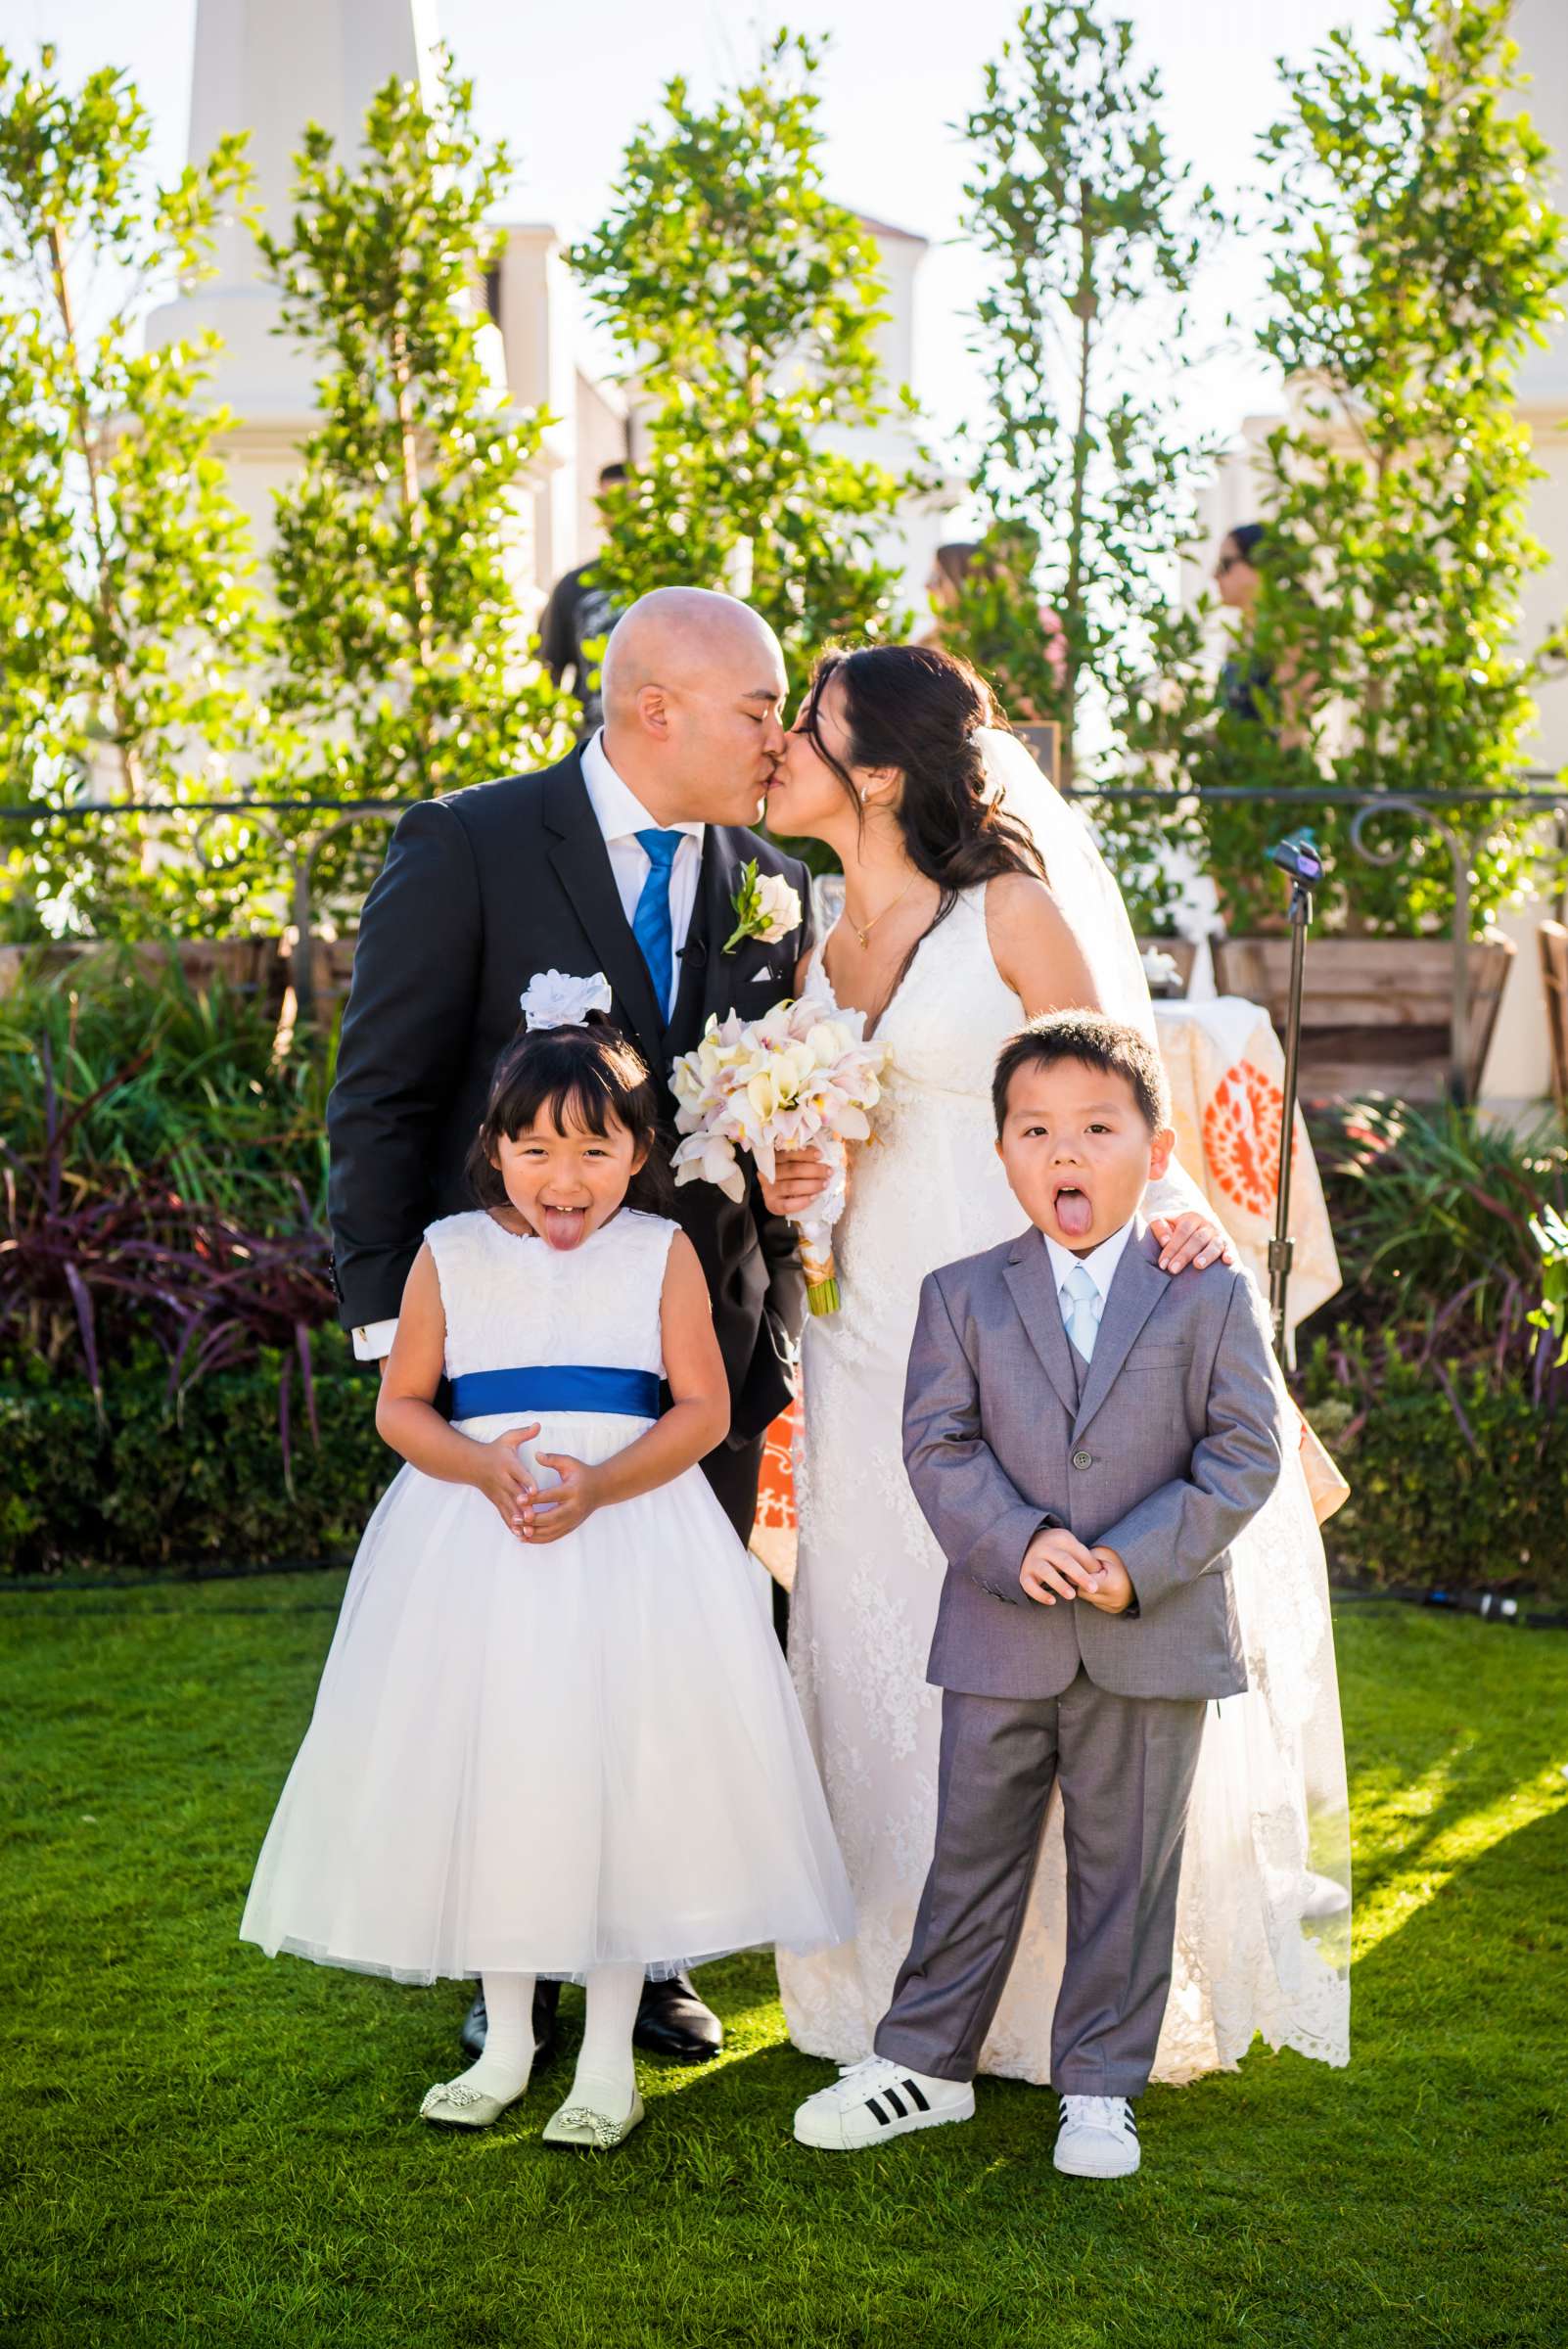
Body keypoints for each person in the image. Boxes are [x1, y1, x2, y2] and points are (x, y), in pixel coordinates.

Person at [762, 642, 1351, 2088]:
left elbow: (1110, 1100)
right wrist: (793, 1179)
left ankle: (1053, 2012)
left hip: (1029, 1340)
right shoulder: (808, 947)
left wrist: (1167, 1245)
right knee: (877, 1646)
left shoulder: (1009, 914)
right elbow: (837, 1160)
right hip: (862, 1342)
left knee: (1040, 1645)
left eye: (809, 725)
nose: (779, 743)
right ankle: (888, 1990)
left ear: (879, 771)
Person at [326, 585, 815, 2070]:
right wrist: (384, 1323)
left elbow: (776, 1098)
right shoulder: (469, 842)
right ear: (652, 709)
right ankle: (510, 1963)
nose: (776, 738)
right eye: (755, 709)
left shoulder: (772, 881)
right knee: (517, 1665)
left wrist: (780, 1279)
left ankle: (650, 1951)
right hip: (509, 1355)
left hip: (698, 1350)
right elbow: (384, 1093)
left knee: (675, 1660)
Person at [244, 1013, 853, 2146]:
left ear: (636, 1154)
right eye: (535, 1150)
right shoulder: (449, 1253)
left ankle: (609, 2057)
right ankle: (514, 2039)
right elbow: (403, 1407)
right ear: (494, 1150)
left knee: (622, 1772)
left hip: (631, 1540)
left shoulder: (660, 1252)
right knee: (503, 1770)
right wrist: (484, 1466)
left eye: (593, 1150)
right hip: (479, 1549)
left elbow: (706, 1410)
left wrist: (600, 1487)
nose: (563, 1177)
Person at [792, 1013, 1285, 2178]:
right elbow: (938, 1444)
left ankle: (1102, 2085)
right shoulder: (961, 1294)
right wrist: (1016, 1544)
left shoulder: (1205, 1290)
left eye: (1098, 1129)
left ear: (1155, 1151)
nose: (1067, 1153)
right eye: (1038, 1131)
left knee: (1129, 1865)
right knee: (969, 1851)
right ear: (1005, 1153)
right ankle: (923, 2063)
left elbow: (1243, 1453)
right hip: (999, 1631)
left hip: (1151, 1633)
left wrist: (1135, 1560)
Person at [537, 464, 629, 733]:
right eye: (610, 501)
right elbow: (550, 667)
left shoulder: (676, 584)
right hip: (596, 741)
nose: (620, 511)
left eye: (629, 499)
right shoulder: (575, 586)